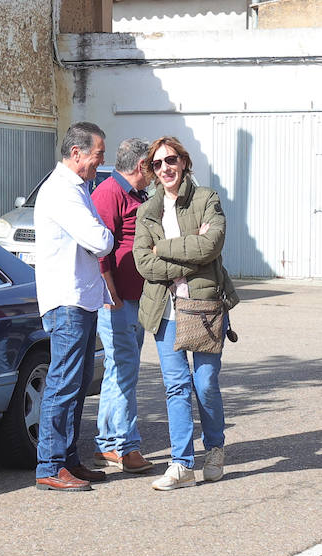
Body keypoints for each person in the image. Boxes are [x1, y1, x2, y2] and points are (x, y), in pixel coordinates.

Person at [133, 136, 237, 490]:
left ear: (184, 162)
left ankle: (215, 450)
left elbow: (211, 244)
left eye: (171, 160)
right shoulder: (147, 209)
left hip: (205, 306)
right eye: (158, 164)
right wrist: (189, 258)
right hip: (166, 310)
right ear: (151, 170)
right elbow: (144, 263)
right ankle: (181, 464)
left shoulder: (207, 198)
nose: (165, 168)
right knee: (176, 387)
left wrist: (164, 247)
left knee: (205, 384)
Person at [33, 122, 114, 492]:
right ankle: (50, 465)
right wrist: (104, 234)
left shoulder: (77, 188)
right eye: (97, 156)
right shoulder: (62, 191)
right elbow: (99, 239)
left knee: (77, 382)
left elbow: (97, 236)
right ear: (76, 153)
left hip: (80, 296)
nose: (100, 162)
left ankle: (67, 460)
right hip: (67, 299)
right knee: (64, 383)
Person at [90, 138, 155, 475]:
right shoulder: (109, 193)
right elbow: (99, 249)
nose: (156, 172)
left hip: (135, 299)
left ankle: (108, 444)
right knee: (124, 370)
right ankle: (125, 446)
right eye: (153, 165)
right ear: (139, 166)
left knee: (119, 371)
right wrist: (111, 291)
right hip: (117, 301)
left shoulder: (136, 195)